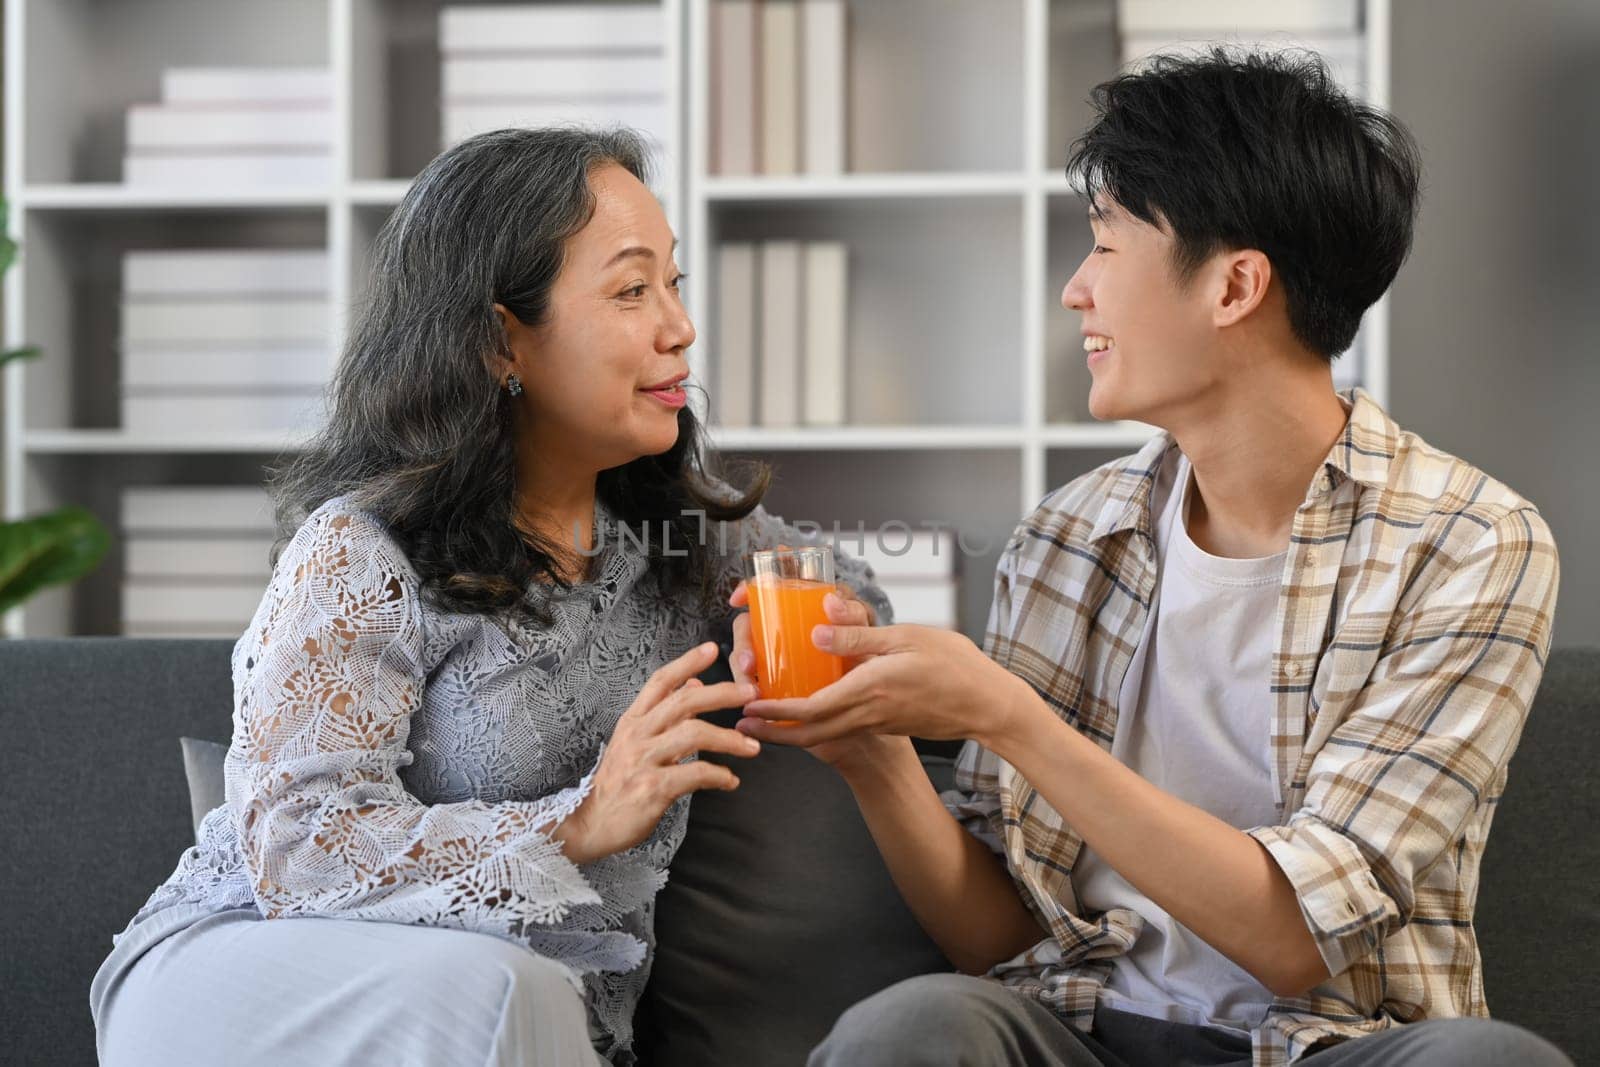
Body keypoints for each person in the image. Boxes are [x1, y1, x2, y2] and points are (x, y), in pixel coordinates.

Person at [732, 49, 1568, 1067]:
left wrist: (1004, 714)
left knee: (1489, 1061)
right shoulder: (1068, 538)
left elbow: (1293, 938)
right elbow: (1002, 938)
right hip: (1086, 1034)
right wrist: (874, 750)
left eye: (1105, 246)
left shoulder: (1470, 544)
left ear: (1233, 285)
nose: (1076, 292)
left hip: (1333, 1043)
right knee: (914, 1022)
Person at [89, 126, 889, 1067]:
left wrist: (792, 628)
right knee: (503, 989)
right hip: (253, 979)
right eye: (633, 290)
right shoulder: (361, 550)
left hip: (531, 1025)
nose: (680, 327)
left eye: (675, 283)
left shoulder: (675, 538)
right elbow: (298, 846)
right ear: (500, 337)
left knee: (526, 1001)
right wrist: (582, 821)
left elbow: (846, 587)